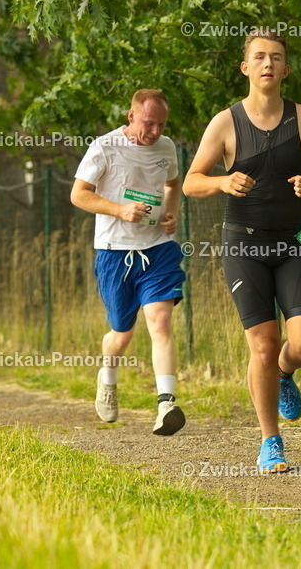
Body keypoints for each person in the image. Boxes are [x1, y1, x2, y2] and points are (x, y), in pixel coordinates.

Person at [183, 29, 301, 472]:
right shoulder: (225, 122)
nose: (268, 63)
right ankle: (271, 442)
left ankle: (285, 373)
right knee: (263, 347)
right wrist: (222, 181)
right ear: (246, 67)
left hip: (293, 243)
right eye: (260, 57)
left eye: (276, 57)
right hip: (243, 245)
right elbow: (191, 182)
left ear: (286, 69)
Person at [71, 88, 186, 436]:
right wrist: (119, 210)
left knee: (160, 322)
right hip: (114, 252)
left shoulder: (166, 147)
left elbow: (173, 184)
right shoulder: (104, 147)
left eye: (161, 124)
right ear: (131, 116)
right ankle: (107, 377)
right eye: (148, 123)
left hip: (158, 249)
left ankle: (166, 404)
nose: (155, 131)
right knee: (121, 335)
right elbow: (78, 194)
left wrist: (172, 213)